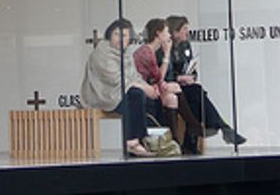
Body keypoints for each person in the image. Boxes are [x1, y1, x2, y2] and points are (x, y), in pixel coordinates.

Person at [161, 15, 246, 149]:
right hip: (171, 88)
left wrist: (191, 76)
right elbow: (163, 75)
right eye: (184, 29)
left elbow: (190, 67)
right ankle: (220, 127)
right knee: (197, 91)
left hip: (184, 87)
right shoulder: (164, 49)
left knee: (195, 100)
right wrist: (179, 78)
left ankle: (192, 140)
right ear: (175, 32)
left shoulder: (185, 46)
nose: (187, 32)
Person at [80, 18, 160, 157]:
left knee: (151, 99)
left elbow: (134, 76)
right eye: (117, 34)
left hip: (121, 92)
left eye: (124, 35)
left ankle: (145, 140)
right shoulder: (102, 52)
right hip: (104, 94)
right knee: (135, 95)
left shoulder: (127, 54)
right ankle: (132, 142)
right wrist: (142, 87)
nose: (120, 39)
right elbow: (114, 79)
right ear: (110, 35)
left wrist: (149, 88)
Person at [134, 18, 203, 150]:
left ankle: (175, 139)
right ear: (158, 33)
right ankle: (192, 125)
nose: (169, 35)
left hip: (152, 88)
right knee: (175, 88)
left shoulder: (150, 51)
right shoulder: (146, 52)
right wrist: (166, 54)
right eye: (166, 32)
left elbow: (157, 79)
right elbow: (158, 78)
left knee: (172, 98)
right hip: (145, 92)